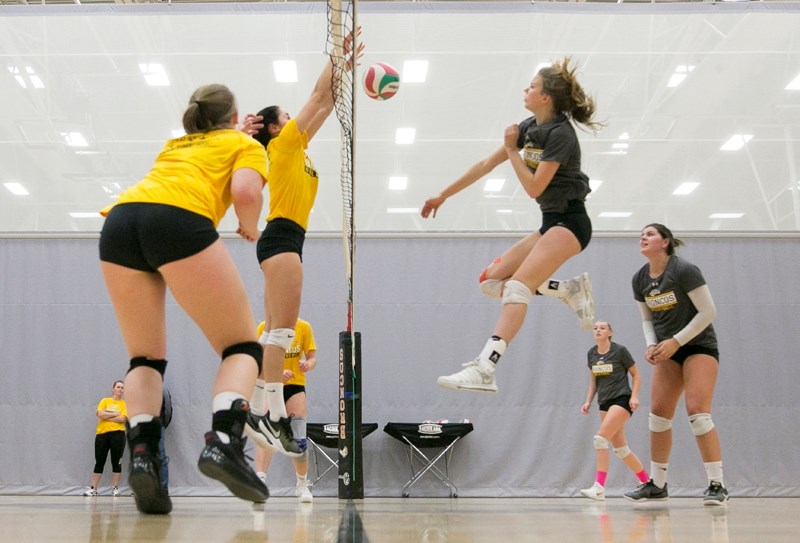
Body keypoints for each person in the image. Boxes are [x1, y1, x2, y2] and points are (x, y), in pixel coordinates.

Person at [98, 83, 270, 514]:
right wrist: (250, 225)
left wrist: (235, 134)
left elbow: (210, 150)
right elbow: (247, 193)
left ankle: (142, 454)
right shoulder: (246, 145)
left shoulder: (174, 145)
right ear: (235, 117)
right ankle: (224, 443)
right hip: (175, 219)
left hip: (120, 221)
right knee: (242, 346)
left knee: (145, 359)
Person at [425, 57, 601, 393]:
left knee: (518, 287)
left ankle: (485, 367)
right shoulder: (530, 127)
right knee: (491, 282)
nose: (526, 90)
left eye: (532, 86)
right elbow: (484, 165)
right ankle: (567, 289)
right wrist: (442, 195)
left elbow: (535, 187)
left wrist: (511, 150)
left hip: (571, 222)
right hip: (550, 223)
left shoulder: (561, 134)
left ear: (546, 96)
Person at [242, 30, 364, 456]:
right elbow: (318, 95)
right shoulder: (283, 145)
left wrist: (343, 71)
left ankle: (263, 409)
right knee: (280, 332)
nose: (297, 119)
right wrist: (336, 52)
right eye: (289, 116)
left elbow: (326, 103)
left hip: (282, 241)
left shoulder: (295, 148)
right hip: (282, 239)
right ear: (276, 126)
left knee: (274, 331)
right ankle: (264, 412)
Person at [623, 223, 729, 505]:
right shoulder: (639, 279)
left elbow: (709, 312)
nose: (643, 237)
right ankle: (657, 484)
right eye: (641, 234)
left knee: (697, 413)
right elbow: (647, 319)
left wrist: (676, 342)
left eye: (649, 234)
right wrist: (651, 345)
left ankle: (717, 485)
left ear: (665, 242)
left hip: (697, 346)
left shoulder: (684, 270)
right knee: (658, 416)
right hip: (668, 349)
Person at [579, 321, 649, 501]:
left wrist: (634, 396)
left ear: (610, 332)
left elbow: (637, 374)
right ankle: (647, 482)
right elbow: (593, 381)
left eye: (602, 328)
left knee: (600, 439)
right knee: (621, 449)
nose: (598, 330)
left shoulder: (620, 351)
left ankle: (599, 488)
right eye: (595, 328)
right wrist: (588, 401)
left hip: (622, 399)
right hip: (604, 403)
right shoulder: (592, 353)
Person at [253, 318, 317, 503]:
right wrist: (276, 373)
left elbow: (312, 358)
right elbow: (259, 361)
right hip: (271, 385)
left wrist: (307, 365)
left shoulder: (304, 327)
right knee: (266, 435)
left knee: (298, 438)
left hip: (295, 387)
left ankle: (302, 484)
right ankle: (260, 481)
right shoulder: (264, 328)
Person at [83, 380, 128, 497]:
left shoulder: (124, 404)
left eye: (122, 388)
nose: (120, 389)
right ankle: (93, 488)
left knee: (116, 462)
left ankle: (115, 488)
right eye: (118, 387)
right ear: (113, 389)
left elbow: (122, 419)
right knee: (99, 461)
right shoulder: (105, 401)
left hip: (118, 435)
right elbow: (100, 414)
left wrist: (107, 415)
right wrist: (115, 414)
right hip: (102, 435)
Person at [158, 386, 172, 493]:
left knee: (161, 456)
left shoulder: (163, 391)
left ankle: (163, 488)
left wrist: (162, 424)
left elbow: (168, 410)